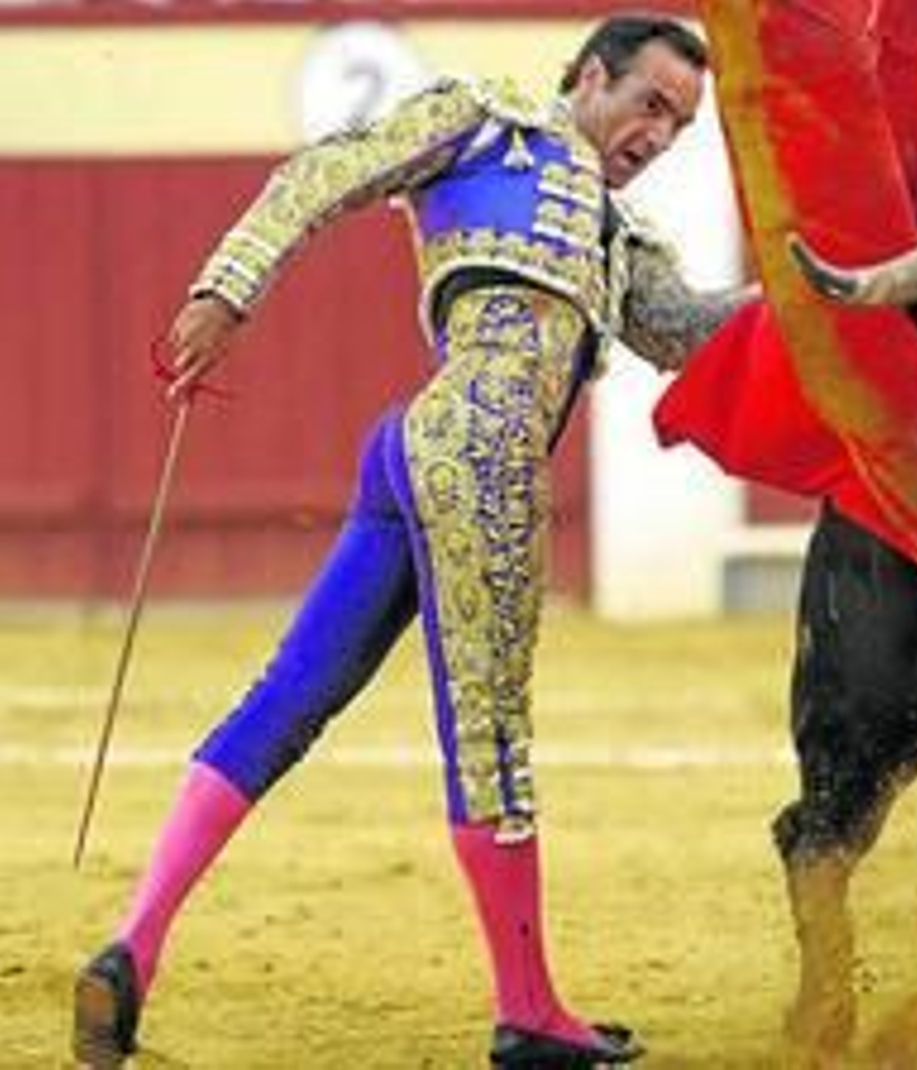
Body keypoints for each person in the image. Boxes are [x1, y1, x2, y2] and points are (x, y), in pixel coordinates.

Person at [72, 15, 751, 1070]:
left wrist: (802, 298)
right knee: (489, 742)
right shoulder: (480, 121)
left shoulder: (618, 242)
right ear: (586, 77)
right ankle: (526, 1010)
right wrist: (225, 287)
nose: (658, 134)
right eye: (648, 104)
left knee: (288, 698)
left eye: (679, 122)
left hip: (407, 453)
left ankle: (134, 943)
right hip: (476, 456)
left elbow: (690, 331)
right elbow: (332, 170)